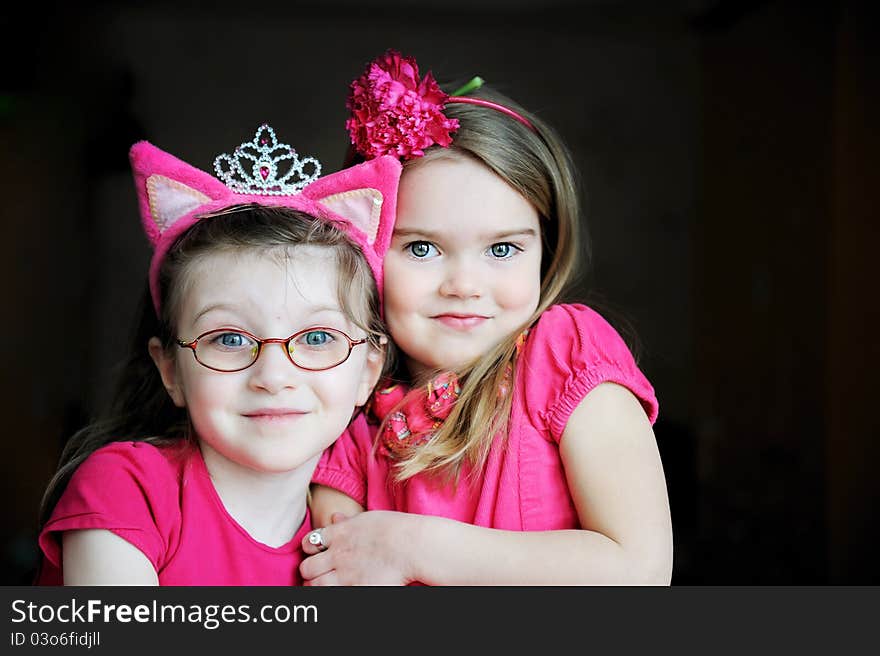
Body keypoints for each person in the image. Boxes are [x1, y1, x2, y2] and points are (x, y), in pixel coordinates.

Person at [301, 50, 674, 585]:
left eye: (501, 250)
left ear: (545, 250)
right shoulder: (350, 423)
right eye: (423, 248)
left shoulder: (564, 353)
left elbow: (640, 571)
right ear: (365, 252)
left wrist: (414, 546)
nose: (465, 286)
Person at [35, 124, 402, 585]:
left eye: (315, 338)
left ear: (368, 370)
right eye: (229, 339)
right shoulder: (129, 489)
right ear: (170, 369)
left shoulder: (353, 546)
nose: (273, 375)